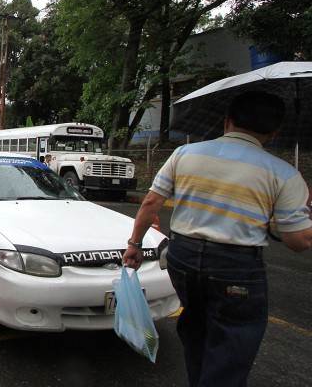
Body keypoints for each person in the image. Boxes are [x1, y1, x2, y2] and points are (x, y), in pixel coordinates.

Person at [123, 91, 312, 387]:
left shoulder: (186, 154)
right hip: (235, 268)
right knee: (232, 345)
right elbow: (297, 241)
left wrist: (134, 245)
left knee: (196, 330)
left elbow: (149, 203)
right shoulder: (284, 174)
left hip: (182, 258)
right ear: (274, 132)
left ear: (227, 120)